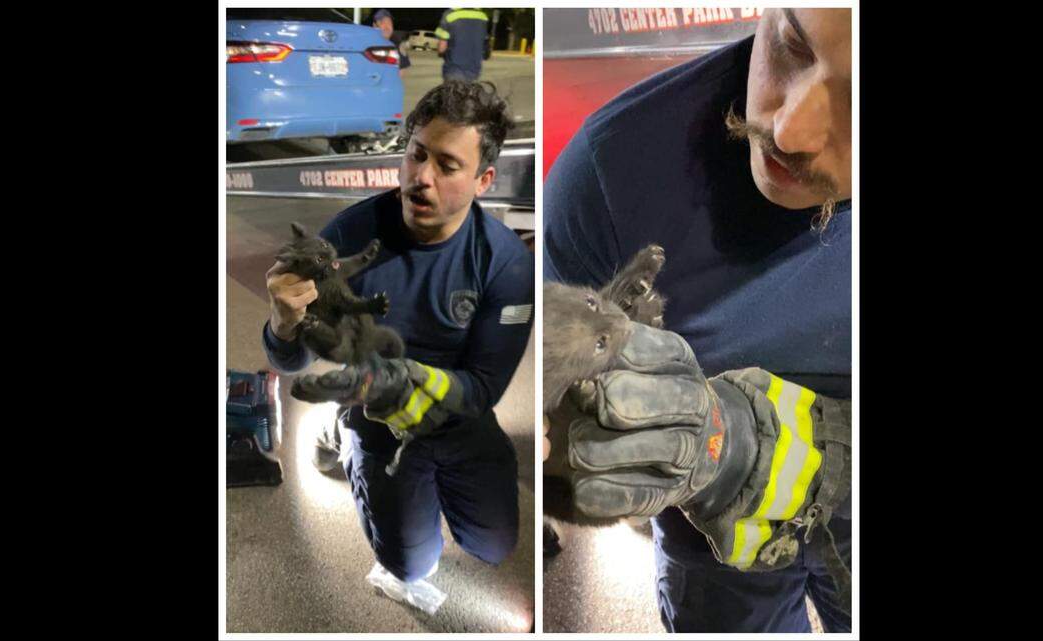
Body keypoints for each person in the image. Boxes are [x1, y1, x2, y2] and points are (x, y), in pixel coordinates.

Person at [543, 8, 852, 633]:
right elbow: (557, 446)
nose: (789, 129)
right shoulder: (611, 176)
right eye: (791, 44)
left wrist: (779, 447)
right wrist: (572, 451)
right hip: (718, 542)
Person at [264, 81, 533, 594]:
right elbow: (291, 360)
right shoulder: (348, 237)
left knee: (493, 547)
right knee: (411, 568)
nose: (421, 179)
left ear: (484, 179)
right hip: (373, 414)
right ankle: (340, 431)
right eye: (416, 155)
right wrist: (283, 320)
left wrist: (404, 377)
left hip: (456, 414)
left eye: (448, 166)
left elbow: (481, 390)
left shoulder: (506, 265)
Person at [435, 8, 489, 81]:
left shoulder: (450, 15)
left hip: (454, 69)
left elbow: (442, 48)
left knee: (453, 91)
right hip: (474, 70)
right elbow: (484, 42)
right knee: (469, 91)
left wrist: (440, 52)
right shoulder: (482, 16)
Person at [372, 9, 410, 79]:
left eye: (389, 23)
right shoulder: (367, 42)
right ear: (374, 25)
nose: (387, 27)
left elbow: (401, 71)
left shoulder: (398, 44)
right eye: (382, 23)